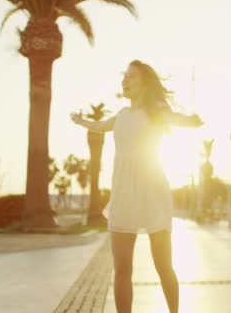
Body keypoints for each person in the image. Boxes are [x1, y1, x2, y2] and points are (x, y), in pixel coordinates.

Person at [71, 60, 202, 313]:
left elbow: (172, 118)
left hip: (153, 193)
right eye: (124, 75)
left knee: (163, 265)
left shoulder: (155, 109)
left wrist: (190, 120)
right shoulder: (121, 115)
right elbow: (100, 126)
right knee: (122, 269)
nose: (125, 80)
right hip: (122, 196)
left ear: (144, 83)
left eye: (131, 76)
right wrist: (80, 120)